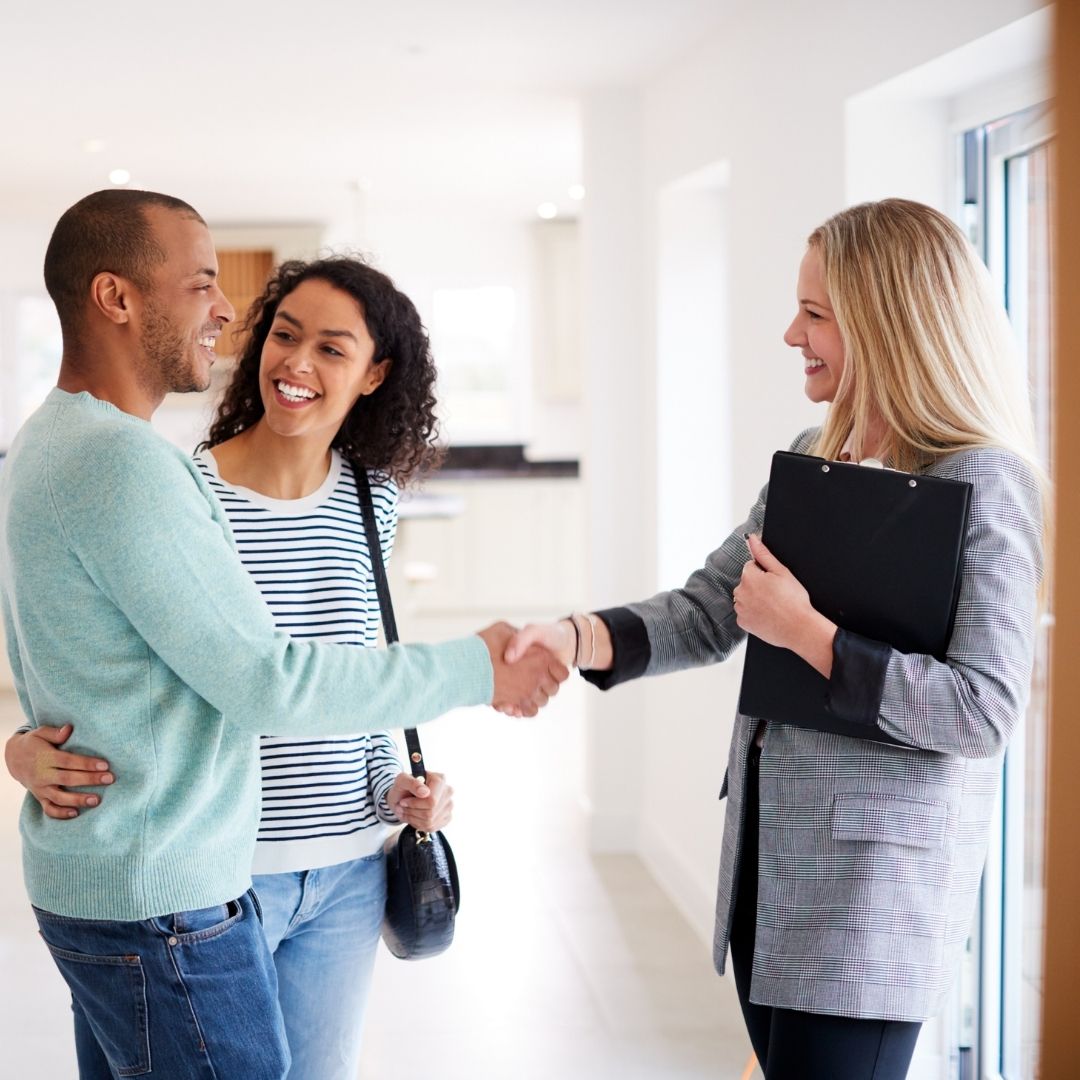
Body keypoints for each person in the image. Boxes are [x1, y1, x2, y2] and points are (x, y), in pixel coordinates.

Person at [0, 189, 567, 1080]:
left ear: (374, 373)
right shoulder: (143, 470)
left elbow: (338, 660)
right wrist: (478, 669)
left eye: (332, 345)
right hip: (191, 881)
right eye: (201, 285)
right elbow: (266, 681)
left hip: (288, 864)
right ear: (118, 298)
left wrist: (394, 780)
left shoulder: (65, 443)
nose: (229, 313)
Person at [506, 199, 1045, 1080]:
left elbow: (983, 712)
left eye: (816, 313)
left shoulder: (986, 481)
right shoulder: (814, 450)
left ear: (888, 322)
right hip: (773, 877)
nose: (791, 333)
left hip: (870, 908)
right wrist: (574, 638)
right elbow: (711, 608)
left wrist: (811, 635)